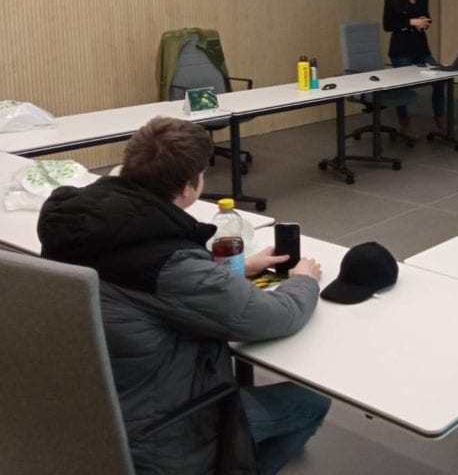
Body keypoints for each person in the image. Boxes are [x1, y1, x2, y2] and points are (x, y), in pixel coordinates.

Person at [38, 117, 329, 475]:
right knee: (310, 402)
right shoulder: (170, 264)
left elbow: (145, 282)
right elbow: (274, 317)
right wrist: (304, 281)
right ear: (190, 187)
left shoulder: (76, 221)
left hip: (78, 415)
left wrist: (230, 269)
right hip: (156, 434)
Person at [382, 0, 446, 138]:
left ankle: (440, 119)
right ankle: (404, 122)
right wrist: (411, 22)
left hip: (420, 47)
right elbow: (388, 25)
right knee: (403, 86)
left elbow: (427, 18)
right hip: (401, 49)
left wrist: (424, 22)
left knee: (440, 78)